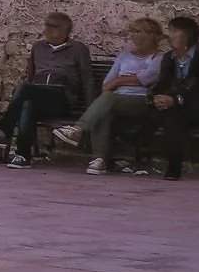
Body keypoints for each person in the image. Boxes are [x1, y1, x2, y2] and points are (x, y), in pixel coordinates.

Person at [0, 13, 94, 166]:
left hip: (61, 98)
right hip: (38, 94)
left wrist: (90, 113)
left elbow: (88, 80)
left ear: (65, 30)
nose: (47, 31)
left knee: (24, 88)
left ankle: (3, 131)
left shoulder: (78, 49)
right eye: (46, 26)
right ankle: (23, 155)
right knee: (27, 104)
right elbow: (32, 76)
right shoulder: (38, 47)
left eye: (53, 28)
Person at [55, 19, 164, 173]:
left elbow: (148, 80)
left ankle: (78, 129)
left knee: (108, 99)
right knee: (105, 109)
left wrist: (120, 80)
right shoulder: (124, 55)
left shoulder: (160, 58)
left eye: (139, 31)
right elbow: (106, 84)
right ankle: (99, 160)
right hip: (116, 101)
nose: (135, 35)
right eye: (133, 31)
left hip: (142, 102)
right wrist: (133, 79)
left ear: (153, 35)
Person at [150, 15, 199, 181]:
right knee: (172, 113)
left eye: (174, 32)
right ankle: (172, 165)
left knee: (173, 112)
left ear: (187, 36)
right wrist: (157, 97)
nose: (169, 36)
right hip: (181, 108)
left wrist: (176, 100)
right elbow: (162, 83)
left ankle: (172, 166)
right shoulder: (170, 58)